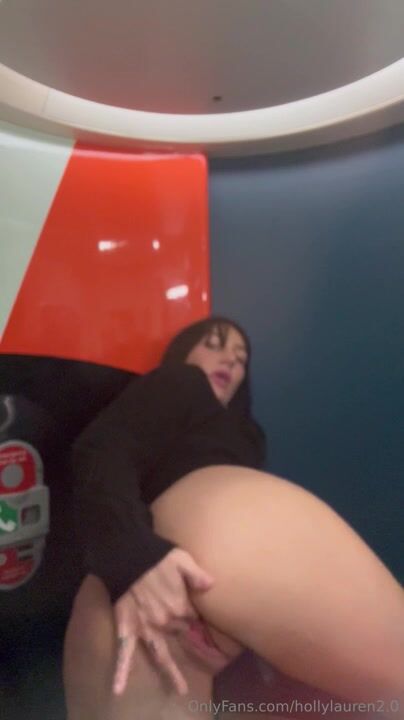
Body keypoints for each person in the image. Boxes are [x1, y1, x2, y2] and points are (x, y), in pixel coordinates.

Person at [63, 316, 404, 720]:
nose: (229, 360)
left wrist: (130, 561)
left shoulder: (245, 432)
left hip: (137, 596)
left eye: (240, 358)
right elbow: (101, 448)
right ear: (183, 351)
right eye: (214, 344)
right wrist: (133, 559)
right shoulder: (181, 380)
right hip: (166, 564)